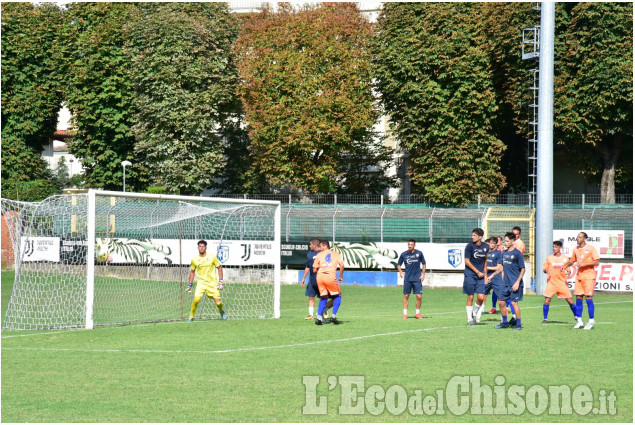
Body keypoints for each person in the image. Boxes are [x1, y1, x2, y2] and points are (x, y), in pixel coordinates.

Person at [565, 232, 600, 329]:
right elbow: (572, 260)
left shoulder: (591, 248)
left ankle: (591, 321)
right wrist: (565, 266)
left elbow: (597, 262)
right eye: (577, 237)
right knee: (578, 297)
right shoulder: (575, 249)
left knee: (588, 298)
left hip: (589, 276)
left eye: (580, 237)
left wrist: (584, 264)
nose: (578, 238)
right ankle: (579, 321)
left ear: (584, 239)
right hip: (579, 276)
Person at [186, 240, 227, 321]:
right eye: (200, 246)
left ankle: (221, 311)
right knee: (196, 299)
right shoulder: (194, 259)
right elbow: (192, 272)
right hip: (201, 283)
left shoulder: (212, 257)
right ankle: (191, 316)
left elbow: (219, 267)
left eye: (203, 246)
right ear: (198, 247)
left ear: (206, 247)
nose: (201, 248)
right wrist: (189, 284)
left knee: (218, 302)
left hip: (212, 283)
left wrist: (221, 281)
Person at [542, 240, 577, 323]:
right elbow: (544, 268)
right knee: (547, 300)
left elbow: (568, 269)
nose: (554, 248)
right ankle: (545, 319)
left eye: (556, 247)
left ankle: (577, 316)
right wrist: (545, 270)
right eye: (553, 246)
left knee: (570, 301)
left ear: (560, 248)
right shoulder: (549, 258)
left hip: (562, 283)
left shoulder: (565, 258)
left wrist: (568, 271)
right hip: (552, 282)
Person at [312, 240, 344, 325]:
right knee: (338, 296)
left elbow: (314, 269)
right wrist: (340, 276)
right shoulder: (336, 254)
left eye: (321, 246)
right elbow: (342, 265)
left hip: (320, 277)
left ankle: (318, 317)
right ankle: (333, 316)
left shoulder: (319, 255)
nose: (320, 248)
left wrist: (321, 268)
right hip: (330, 276)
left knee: (324, 297)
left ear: (325, 246)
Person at [500, 232, 525, 330]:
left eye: (507, 241)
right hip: (505, 283)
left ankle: (518, 324)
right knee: (501, 302)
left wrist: (517, 282)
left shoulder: (517, 253)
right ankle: (504, 322)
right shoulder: (504, 253)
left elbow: (523, 269)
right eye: (504, 241)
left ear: (513, 241)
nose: (505, 243)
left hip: (515, 283)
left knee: (514, 303)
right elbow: (501, 267)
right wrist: (492, 275)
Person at [463, 228, 488, 325]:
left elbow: (485, 260)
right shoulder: (469, 246)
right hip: (470, 275)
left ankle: (474, 313)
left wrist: (485, 274)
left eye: (474, 235)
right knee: (470, 297)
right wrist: (477, 271)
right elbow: (467, 261)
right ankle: (469, 319)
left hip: (481, 276)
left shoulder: (486, 246)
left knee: (481, 298)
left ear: (480, 237)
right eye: (472, 235)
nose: (472, 237)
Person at [397, 239, 426, 319]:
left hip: (417, 278)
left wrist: (423, 274)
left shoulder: (419, 253)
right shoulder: (404, 254)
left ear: (414, 245)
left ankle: (417, 313)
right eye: (409, 244)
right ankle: (405, 314)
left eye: (411, 244)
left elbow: (424, 264)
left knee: (419, 296)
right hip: (408, 279)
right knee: (406, 295)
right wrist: (400, 271)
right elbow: (398, 264)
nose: (410, 246)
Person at [300, 238, 321, 320]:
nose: (309, 246)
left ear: (314, 246)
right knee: (311, 297)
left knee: (323, 297)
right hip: (312, 280)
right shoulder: (309, 254)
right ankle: (310, 315)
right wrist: (303, 278)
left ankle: (321, 312)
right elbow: (308, 267)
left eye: (310, 244)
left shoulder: (322, 253)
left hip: (320, 279)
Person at [487, 236, 505, 314]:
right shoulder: (486, 252)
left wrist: (487, 267)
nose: (492, 245)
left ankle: (504, 313)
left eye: (494, 243)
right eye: (491, 243)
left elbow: (499, 267)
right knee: (482, 295)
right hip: (486, 276)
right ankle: (477, 314)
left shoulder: (499, 253)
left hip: (496, 276)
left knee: (499, 295)